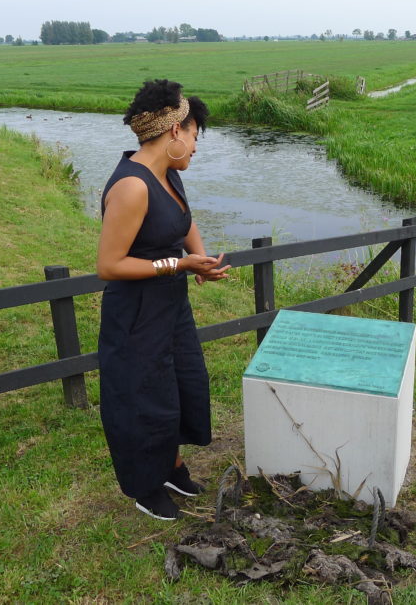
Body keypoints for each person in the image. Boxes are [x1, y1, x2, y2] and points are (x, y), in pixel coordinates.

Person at [96, 79, 230, 521]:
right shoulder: (133, 187)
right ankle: (144, 486)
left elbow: (183, 222)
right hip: (135, 313)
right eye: (194, 135)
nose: (196, 145)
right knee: (142, 396)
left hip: (170, 305)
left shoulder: (167, 174)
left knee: (181, 382)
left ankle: (170, 466)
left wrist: (199, 257)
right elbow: (110, 265)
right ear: (174, 131)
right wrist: (178, 266)